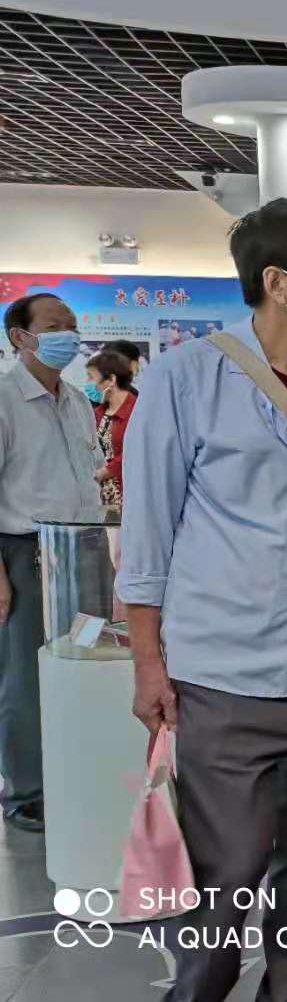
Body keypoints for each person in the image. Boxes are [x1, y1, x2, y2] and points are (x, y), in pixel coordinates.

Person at [117, 198, 287, 1002]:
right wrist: (148, 665)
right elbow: (147, 539)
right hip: (226, 678)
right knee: (224, 879)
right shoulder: (186, 379)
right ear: (278, 282)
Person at [0, 293, 102, 833]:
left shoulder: (78, 400)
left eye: (72, 324)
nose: (68, 334)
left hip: (82, 552)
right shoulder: (5, 400)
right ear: (20, 337)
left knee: (80, 662)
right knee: (25, 677)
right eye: (53, 326)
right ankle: (25, 792)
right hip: (25, 556)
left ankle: (71, 774)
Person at [86, 350, 138, 509]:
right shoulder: (97, 413)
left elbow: (137, 452)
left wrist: (104, 472)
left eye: (91, 377)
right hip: (98, 498)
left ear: (111, 380)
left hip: (127, 499)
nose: (87, 383)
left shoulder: (138, 412)